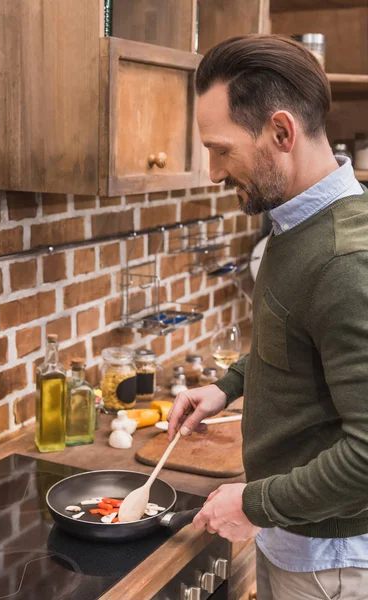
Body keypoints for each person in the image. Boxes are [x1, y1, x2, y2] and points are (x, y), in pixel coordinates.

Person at [167, 35, 368, 600]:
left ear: (281, 132)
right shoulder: (296, 222)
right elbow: (298, 344)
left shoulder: (345, 260)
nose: (212, 172)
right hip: (296, 543)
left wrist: (253, 503)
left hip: (330, 565)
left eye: (221, 149)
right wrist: (226, 387)